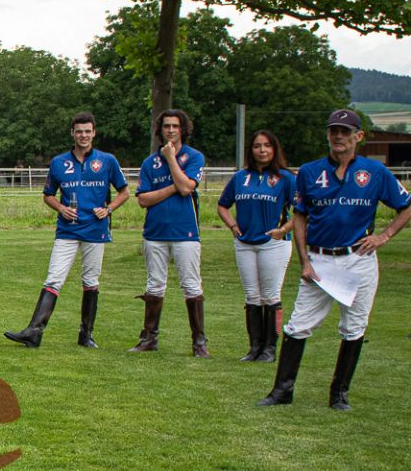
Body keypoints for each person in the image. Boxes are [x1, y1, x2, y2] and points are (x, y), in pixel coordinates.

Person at [260, 108, 411, 410]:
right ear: (328, 135)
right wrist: (304, 260)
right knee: (297, 324)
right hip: (319, 259)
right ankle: (281, 391)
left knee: (354, 326)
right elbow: (299, 216)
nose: (339, 137)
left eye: (345, 131)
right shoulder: (310, 172)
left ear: (359, 136)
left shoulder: (375, 172)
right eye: (334, 131)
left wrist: (384, 236)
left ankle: (339, 393)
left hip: (358, 259)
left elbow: (406, 206)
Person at [5, 111, 130, 349]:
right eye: (79, 131)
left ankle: (86, 335)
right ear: (72, 133)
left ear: (94, 133)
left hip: (95, 230)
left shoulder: (107, 161)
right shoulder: (59, 162)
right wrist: (61, 208)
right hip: (67, 231)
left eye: (87, 131)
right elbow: (48, 195)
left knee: (90, 281)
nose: (83, 135)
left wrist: (109, 209)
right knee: (54, 278)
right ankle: (34, 332)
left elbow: (125, 192)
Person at [131, 108, 208, 356]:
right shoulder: (149, 163)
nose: (171, 130)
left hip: (185, 232)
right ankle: (149, 338)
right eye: (166, 126)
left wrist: (171, 159)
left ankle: (199, 343)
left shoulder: (194, 157)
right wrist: (173, 187)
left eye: (175, 126)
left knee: (191, 285)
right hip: (155, 232)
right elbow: (143, 199)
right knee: (154, 285)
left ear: (183, 129)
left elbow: (187, 189)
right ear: (160, 130)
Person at [215, 129, 294, 363]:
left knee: (270, 295)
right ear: (251, 150)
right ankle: (254, 347)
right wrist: (232, 226)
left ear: (274, 149)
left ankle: (269, 348)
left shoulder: (286, 178)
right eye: (257, 146)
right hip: (245, 243)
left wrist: (283, 230)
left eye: (267, 145)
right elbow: (222, 205)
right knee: (252, 295)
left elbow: (304, 211)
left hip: (273, 244)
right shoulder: (241, 177)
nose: (262, 150)